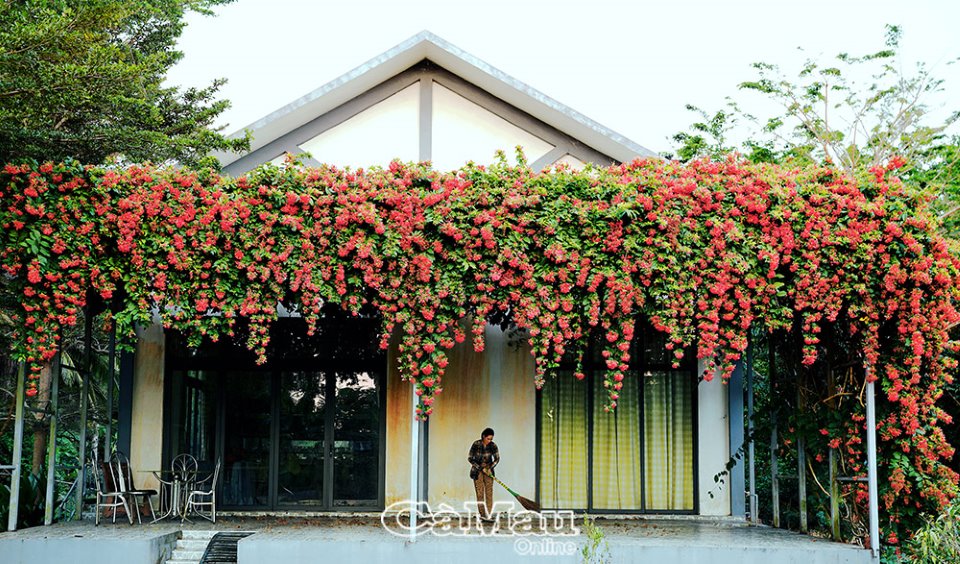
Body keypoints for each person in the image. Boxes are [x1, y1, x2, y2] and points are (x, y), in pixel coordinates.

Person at [467, 427, 499, 520]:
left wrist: (489, 467)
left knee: (489, 493)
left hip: (488, 471)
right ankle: (482, 515)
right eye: (488, 438)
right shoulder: (476, 444)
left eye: (491, 439)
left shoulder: (493, 446)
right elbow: (470, 458)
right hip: (477, 471)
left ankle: (489, 515)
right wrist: (481, 468)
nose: (489, 441)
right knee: (480, 493)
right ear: (483, 436)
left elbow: (497, 459)